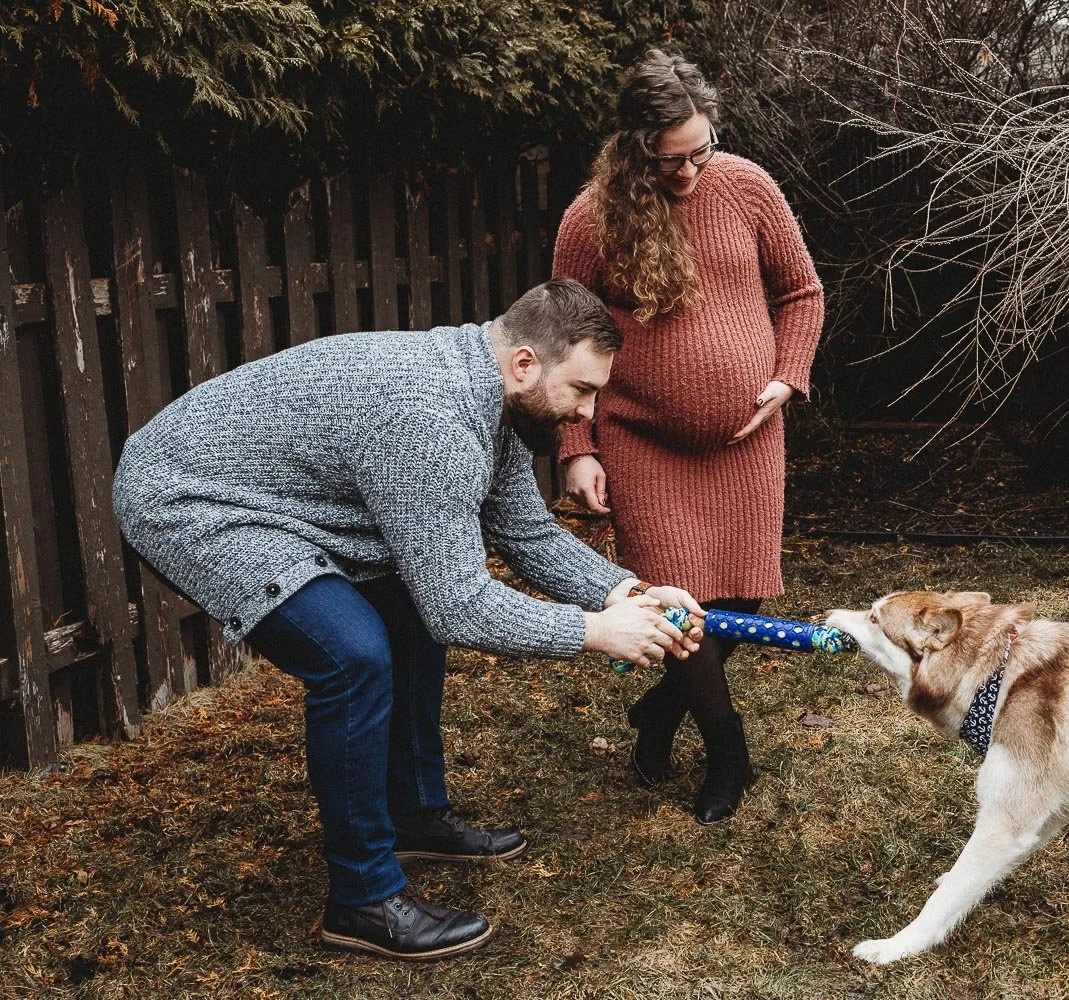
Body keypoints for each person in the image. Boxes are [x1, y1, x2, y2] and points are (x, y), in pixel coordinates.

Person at [111, 279, 705, 961]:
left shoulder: (490, 402)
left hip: (280, 494)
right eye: (581, 390)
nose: (586, 413)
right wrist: (594, 633)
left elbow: (528, 536)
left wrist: (624, 590)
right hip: (191, 498)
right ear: (524, 364)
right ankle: (362, 897)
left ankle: (413, 813)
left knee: (406, 614)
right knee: (353, 656)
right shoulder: (431, 421)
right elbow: (459, 605)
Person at [552, 50, 824, 824]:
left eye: (702, 150)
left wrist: (785, 377)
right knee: (681, 606)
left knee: (738, 593)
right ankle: (728, 753)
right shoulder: (591, 218)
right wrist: (578, 447)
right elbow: (564, 335)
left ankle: (660, 712)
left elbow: (802, 292)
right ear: (635, 150)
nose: (691, 171)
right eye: (672, 160)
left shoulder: (746, 186)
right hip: (642, 440)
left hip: (747, 440)